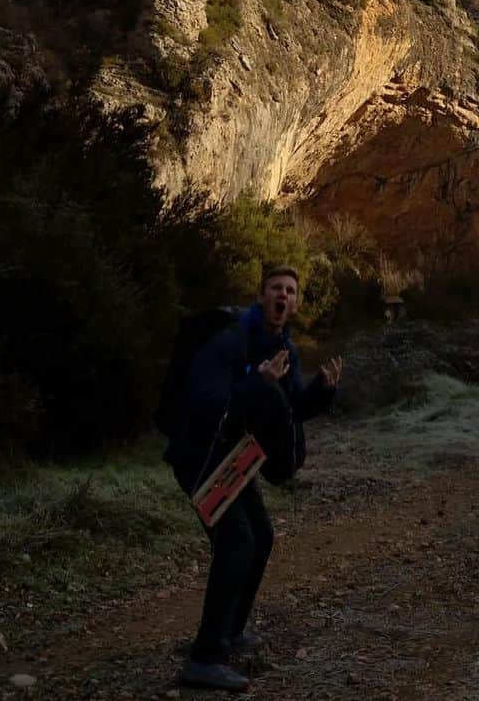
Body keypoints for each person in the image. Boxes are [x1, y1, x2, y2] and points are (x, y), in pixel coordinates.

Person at [164, 266, 342, 693]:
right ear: (262, 297)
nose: (283, 295)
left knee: (260, 536)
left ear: (295, 304)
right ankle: (204, 659)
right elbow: (205, 400)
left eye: (291, 291)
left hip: (234, 456)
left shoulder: (284, 346)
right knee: (236, 540)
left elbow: (291, 407)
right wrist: (255, 383)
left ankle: (229, 634)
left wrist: (321, 390)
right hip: (199, 454)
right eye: (276, 289)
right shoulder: (232, 340)